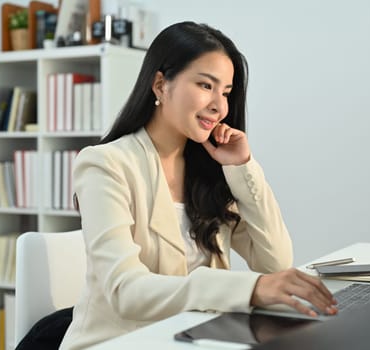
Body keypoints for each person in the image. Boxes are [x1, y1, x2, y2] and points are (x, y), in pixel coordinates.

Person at [60, 21, 337, 350]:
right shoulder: (105, 164)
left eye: (226, 93)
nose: (220, 106)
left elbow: (274, 262)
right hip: (119, 343)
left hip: (194, 339)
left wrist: (242, 167)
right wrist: (249, 290)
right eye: (206, 85)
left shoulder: (210, 170)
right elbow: (125, 291)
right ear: (161, 84)